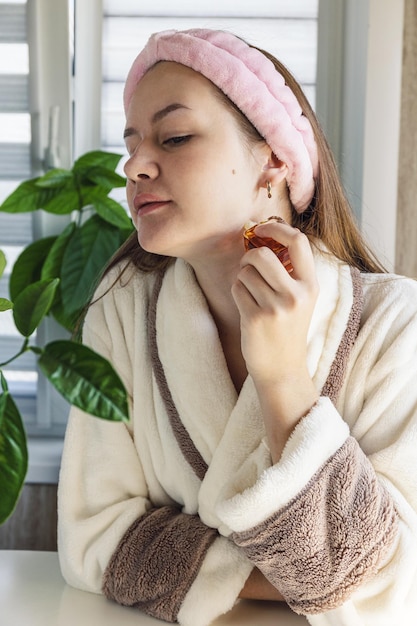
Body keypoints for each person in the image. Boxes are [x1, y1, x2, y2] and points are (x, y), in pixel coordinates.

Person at [57, 29, 417, 626]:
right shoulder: (119, 313)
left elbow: (397, 588)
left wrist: (281, 380)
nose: (134, 165)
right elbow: (93, 543)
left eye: (173, 137)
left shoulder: (393, 326)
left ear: (274, 158)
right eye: (133, 143)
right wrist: (303, 575)